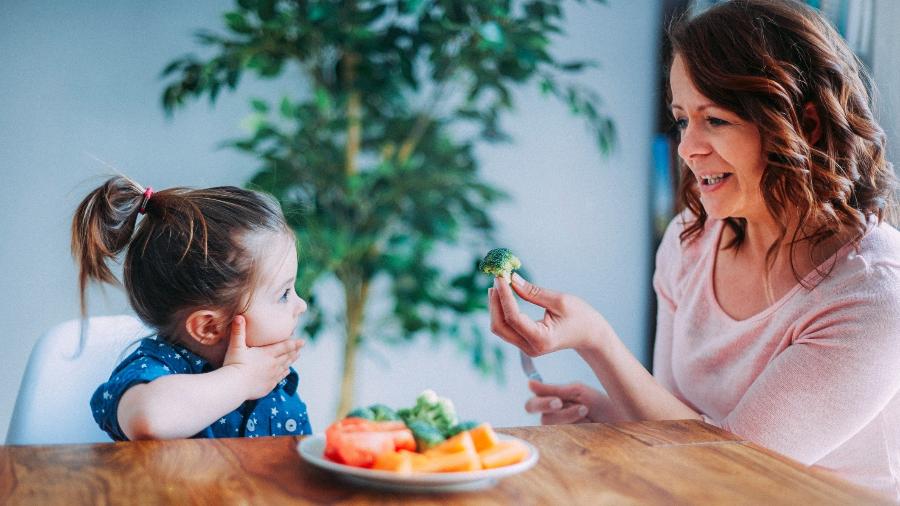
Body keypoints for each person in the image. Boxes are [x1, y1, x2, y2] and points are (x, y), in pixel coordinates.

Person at [488, 0, 900, 498]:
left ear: (806, 125)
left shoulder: (874, 292)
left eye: (717, 120)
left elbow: (734, 474)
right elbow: (684, 427)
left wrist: (597, 340)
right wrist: (608, 413)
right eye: (683, 119)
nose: (687, 148)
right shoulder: (692, 238)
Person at [73, 175, 312, 440]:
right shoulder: (156, 369)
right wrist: (241, 379)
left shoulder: (271, 379)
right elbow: (148, 418)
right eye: (284, 294)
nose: (300, 305)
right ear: (209, 327)